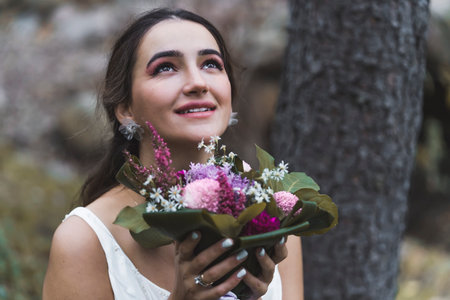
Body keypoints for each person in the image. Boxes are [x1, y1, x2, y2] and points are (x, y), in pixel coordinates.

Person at [42, 8, 303, 300]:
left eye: (211, 65)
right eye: (166, 67)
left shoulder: (271, 212)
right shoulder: (84, 242)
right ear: (125, 108)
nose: (198, 83)